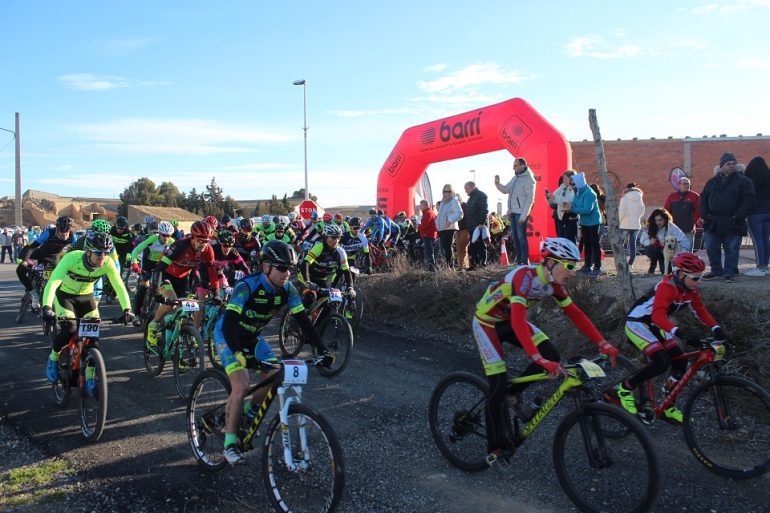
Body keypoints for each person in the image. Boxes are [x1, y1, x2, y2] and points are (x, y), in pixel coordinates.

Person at [472, 237, 619, 470]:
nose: (573, 272)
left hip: (509, 320)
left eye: (576, 266)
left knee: (552, 353)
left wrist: (603, 342)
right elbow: (520, 321)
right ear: (550, 262)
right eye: (569, 266)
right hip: (487, 323)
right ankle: (494, 450)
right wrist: (536, 359)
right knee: (497, 387)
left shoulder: (554, 286)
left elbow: (576, 315)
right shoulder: (524, 277)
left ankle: (514, 394)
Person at [213, 240, 332, 465]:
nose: (287, 273)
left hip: (253, 337)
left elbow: (304, 322)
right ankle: (229, 444)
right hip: (228, 336)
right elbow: (228, 323)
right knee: (241, 384)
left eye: (290, 268)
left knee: (276, 374)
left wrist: (322, 349)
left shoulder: (288, 289)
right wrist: (238, 352)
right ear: (266, 266)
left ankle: (247, 413)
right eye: (282, 268)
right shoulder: (247, 286)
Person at [616, 253, 729, 424]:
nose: (699, 282)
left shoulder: (690, 290)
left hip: (655, 325)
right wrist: (681, 333)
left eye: (700, 277)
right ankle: (625, 388)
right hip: (637, 323)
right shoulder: (666, 286)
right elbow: (658, 317)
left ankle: (668, 406)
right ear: (681, 275)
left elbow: (700, 310)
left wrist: (717, 329)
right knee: (661, 361)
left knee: (680, 362)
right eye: (695, 278)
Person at [41, 233, 134, 386]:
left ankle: (90, 373)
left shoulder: (107, 263)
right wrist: (46, 307)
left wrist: (127, 309)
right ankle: (53, 358)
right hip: (65, 296)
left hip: (86, 297)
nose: (102, 257)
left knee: (93, 337)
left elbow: (119, 286)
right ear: (89, 251)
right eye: (99, 253)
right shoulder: (72, 258)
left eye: (106, 252)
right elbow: (53, 283)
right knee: (70, 328)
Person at [146, 220, 219, 346]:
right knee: (172, 302)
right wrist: (156, 290)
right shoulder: (179, 246)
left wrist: (216, 292)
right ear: (192, 238)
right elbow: (159, 268)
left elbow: (212, 272)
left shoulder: (208, 250)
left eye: (206, 241)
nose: (203, 244)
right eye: (200, 240)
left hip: (183, 278)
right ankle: (154, 324)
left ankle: (177, 337)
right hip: (166, 275)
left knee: (186, 307)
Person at [700, 153, 756, 282]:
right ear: (722, 166)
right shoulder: (712, 181)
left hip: (733, 221)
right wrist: (705, 214)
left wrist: (737, 216)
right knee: (712, 247)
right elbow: (703, 198)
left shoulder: (744, 181)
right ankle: (716, 270)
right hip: (712, 221)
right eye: (728, 164)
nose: (731, 166)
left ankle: (729, 272)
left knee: (731, 248)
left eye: (733, 164)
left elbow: (748, 201)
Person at [16, 216, 76, 309]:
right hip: (39, 253)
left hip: (53, 257)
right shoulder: (49, 233)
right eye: (61, 232)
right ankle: (32, 292)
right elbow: (32, 246)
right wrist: (25, 260)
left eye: (66, 232)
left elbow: (76, 253)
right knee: (20, 270)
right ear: (57, 229)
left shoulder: (73, 237)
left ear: (70, 230)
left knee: (58, 278)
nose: (64, 235)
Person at [495, 158, 536, 265]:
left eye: (516, 165)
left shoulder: (529, 179)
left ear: (523, 166)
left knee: (522, 237)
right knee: (515, 237)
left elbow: (530, 199)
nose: (514, 167)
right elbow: (506, 190)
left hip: (520, 213)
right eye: (514, 165)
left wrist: (524, 215)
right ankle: (519, 261)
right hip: (512, 212)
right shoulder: (515, 178)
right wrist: (498, 184)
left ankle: (524, 261)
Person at [566, 172, 602, 277]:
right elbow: (575, 205)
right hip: (585, 222)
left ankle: (597, 267)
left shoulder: (589, 193)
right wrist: (569, 206)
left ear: (579, 183)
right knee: (586, 243)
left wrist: (571, 208)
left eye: (573, 184)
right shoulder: (577, 193)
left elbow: (587, 209)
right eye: (571, 184)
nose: (572, 186)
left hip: (593, 222)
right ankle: (587, 266)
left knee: (594, 244)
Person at [639, 208, 690, 275]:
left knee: (667, 272)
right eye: (655, 220)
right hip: (654, 250)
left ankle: (665, 264)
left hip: (667, 253)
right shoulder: (650, 227)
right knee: (653, 249)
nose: (657, 222)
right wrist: (649, 242)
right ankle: (653, 264)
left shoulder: (672, 227)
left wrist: (677, 253)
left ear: (665, 219)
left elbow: (685, 242)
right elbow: (642, 240)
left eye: (660, 220)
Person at [743, 156, 770, 276]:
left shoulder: (749, 180)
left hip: (755, 213)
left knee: (757, 240)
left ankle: (760, 267)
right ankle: (766, 266)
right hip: (768, 212)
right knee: (766, 240)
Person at [664, 177, 700, 251]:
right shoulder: (672, 196)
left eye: (688, 184)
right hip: (674, 228)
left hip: (689, 229)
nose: (687, 185)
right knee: (673, 251)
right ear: (679, 185)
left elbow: (699, 211)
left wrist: (694, 223)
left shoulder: (695, 196)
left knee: (688, 251)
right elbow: (666, 211)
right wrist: (668, 224)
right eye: (684, 184)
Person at [436, 184, 463, 267]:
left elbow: (460, 214)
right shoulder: (443, 202)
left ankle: (450, 267)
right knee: (444, 249)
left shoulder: (454, 201)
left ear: (452, 192)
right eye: (445, 191)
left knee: (447, 248)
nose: (447, 193)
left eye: (449, 191)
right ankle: (448, 266)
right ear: (443, 192)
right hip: (442, 228)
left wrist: (450, 221)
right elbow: (440, 215)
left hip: (449, 228)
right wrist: (436, 223)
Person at [618, 183, 646, 266]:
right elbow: (642, 211)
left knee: (620, 243)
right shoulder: (640, 198)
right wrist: (636, 217)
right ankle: (631, 262)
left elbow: (621, 211)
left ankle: (622, 261)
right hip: (636, 224)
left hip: (624, 224)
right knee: (632, 243)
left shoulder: (624, 198)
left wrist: (620, 220)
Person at [546, 170, 577, 242]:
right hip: (561, 217)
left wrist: (554, 197)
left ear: (571, 179)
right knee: (561, 241)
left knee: (570, 241)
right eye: (563, 179)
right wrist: (549, 197)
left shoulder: (574, 189)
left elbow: (567, 201)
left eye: (566, 179)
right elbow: (554, 197)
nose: (563, 180)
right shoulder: (562, 187)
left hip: (570, 218)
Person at [464, 181, 489, 269]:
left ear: (472, 187)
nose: (465, 191)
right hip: (472, 226)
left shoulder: (481, 195)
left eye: (466, 189)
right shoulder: (471, 198)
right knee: (473, 246)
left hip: (479, 226)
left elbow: (484, 209)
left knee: (481, 245)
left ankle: (482, 264)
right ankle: (474, 264)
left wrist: (481, 223)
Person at [418, 200, 438, 271]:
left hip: (428, 235)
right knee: (430, 252)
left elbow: (424, 225)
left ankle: (431, 269)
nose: (420, 207)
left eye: (420, 205)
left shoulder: (428, 213)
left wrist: (418, 227)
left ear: (424, 205)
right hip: (431, 235)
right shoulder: (431, 212)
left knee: (429, 252)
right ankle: (431, 268)